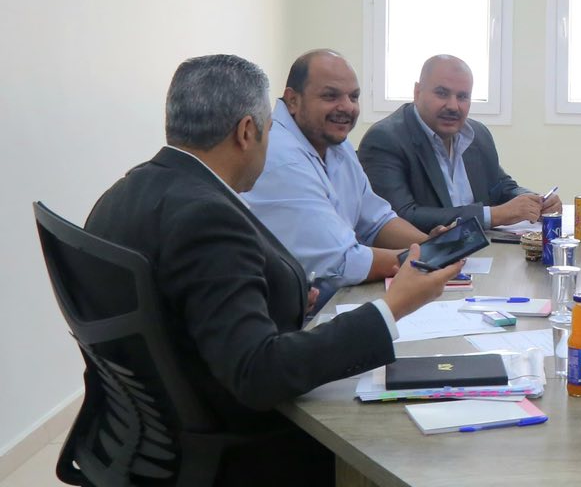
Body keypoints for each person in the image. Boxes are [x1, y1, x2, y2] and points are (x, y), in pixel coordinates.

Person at [81, 54, 462, 485]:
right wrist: (391, 308)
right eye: (269, 128)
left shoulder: (122, 193)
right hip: (240, 452)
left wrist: (284, 299)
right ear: (248, 131)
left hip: (144, 440)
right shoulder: (209, 218)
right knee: (409, 443)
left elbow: (193, 304)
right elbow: (258, 374)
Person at [242, 49, 438, 288]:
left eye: (353, 97)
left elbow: (376, 221)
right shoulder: (280, 156)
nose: (347, 107)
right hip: (294, 302)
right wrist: (428, 258)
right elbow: (342, 262)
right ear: (293, 100)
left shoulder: (335, 142)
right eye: (330, 96)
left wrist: (431, 245)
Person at [359, 54, 559, 232]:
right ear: (417, 92)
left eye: (463, 96)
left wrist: (536, 201)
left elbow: (502, 187)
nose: (453, 106)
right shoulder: (385, 139)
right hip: (423, 257)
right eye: (442, 93)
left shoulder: (477, 134)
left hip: (483, 250)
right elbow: (398, 218)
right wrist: (495, 215)